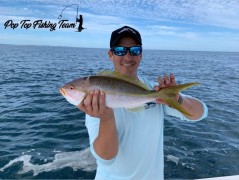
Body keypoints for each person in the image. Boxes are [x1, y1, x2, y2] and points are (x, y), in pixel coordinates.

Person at [77, 26, 208, 180]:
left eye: (134, 50)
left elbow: (200, 113)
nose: (127, 56)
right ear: (110, 55)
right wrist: (106, 118)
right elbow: (107, 159)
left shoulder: (154, 89)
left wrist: (176, 97)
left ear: (140, 55)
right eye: (120, 50)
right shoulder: (96, 98)